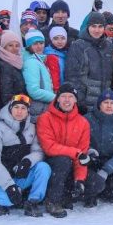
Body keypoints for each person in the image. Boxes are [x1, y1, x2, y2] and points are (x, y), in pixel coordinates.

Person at [0, 94, 51, 217]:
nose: (19, 111)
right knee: (8, 201)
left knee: (43, 167)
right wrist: (9, 186)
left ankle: (32, 202)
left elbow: (38, 152)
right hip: (0, 179)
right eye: (16, 107)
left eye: (23, 108)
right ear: (10, 109)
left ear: (28, 111)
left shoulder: (32, 128)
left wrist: (27, 162)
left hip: (19, 175)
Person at [37, 82, 97, 218]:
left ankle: (69, 193)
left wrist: (80, 179)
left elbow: (83, 152)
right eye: (64, 96)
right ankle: (53, 201)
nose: (67, 100)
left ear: (75, 100)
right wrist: (75, 153)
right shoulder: (45, 118)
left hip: (71, 161)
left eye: (71, 97)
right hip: (50, 160)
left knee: (95, 183)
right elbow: (49, 147)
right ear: (57, 98)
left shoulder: (83, 123)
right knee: (63, 161)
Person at [84, 89, 113, 206]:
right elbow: (79, 142)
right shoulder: (86, 120)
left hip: (110, 162)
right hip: (91, 160)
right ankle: (90, 192)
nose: (109, 106)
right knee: (88, 174)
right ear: (99, 105)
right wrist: (89, 151)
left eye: (112, 103)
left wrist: (106, 169)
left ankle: (106, 189)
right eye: (105, 102)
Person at [65, 11, 113, 115]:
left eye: (100, 26)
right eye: (93, 26)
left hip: (105, 102)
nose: (97, 30)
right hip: (85, 102)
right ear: (88, 27)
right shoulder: (78, 46)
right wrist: (80, 100)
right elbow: (72, 77)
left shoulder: (109, 47)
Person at [21, 29, 55, 120]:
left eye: (41, 43)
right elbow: (34, 91)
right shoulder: (31, 62)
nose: (39, 46)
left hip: (43, 107)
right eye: (35, 44)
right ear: (29, 46)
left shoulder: (39, 60)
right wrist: (55, 98)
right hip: (38, 108)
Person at [0, 30, 28, 109]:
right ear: (4, 46)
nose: (14, 48)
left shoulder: (16, 62)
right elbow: (6, 94)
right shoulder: (4, 65)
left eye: (17, 45)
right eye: (10, 45)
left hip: (18, 105)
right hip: (12, 108)